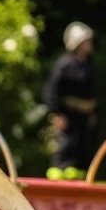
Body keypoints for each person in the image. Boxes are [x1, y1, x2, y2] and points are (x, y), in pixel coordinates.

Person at [43, 21, 96, 179]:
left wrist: (92, 112)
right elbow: (51, 90)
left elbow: (90, 91)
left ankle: (77, 176)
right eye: (86, 41)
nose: (90, 44)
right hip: (66, 115)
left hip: (82, 116)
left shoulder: (88, 65)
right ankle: (59, 174)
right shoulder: (64, 64)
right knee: (65, 146)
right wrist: (56, 114)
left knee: (81, 147)